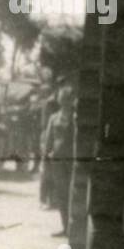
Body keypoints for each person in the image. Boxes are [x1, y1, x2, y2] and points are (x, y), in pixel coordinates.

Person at [41, 85, 75, 236]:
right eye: (62, 99)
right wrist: (46, 159)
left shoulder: (76, 117)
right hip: (58, 161)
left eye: (68, 99)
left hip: (73, 161)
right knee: (62, 194)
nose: (65, 102)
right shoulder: (54, 118)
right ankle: (65, 227)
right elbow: (49, 140)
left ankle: (74, 228)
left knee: (73, 193)